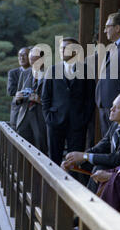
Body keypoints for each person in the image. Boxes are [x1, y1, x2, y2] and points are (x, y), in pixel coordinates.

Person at [62, 93, 120, 193]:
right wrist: (75, 160)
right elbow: (101, 146)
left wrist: (84, 156)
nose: (111, 109)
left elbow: (118, 158)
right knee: (84, 164)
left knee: (98, 167)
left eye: (117, 107)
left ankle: (88, 202)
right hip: (113, 168)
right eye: (112, 105)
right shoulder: (115, 125)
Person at [41, 37, 95, 166]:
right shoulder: (52, 70)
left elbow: (90, 98)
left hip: (78, 122)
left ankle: (74, 185)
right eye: (61, 48)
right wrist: (48, 117)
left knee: (75, 162)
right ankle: (52, 185)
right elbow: (45, 97)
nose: (62, 50)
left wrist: (84, 118)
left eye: (66, 48)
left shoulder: (86, 70)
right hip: (55, 120)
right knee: (53, 159)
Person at [15, 46, 47, 153]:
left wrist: (40, 100)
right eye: (31, 58)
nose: (32, 61)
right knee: (22, 147)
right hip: (24, 115)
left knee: (41, 146)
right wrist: (18, 98)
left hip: (41, 115)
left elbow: (57, 99)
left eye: (35, 58)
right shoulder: (25, 73)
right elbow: (18, 93)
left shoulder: (51, 74)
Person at [7, 47, 30, 129]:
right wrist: (27, 93)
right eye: (19, 55)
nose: (21, 58)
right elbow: (11, 91)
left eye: (25, 55)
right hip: (18, 108)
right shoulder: (13, 72)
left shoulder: (37, 72)